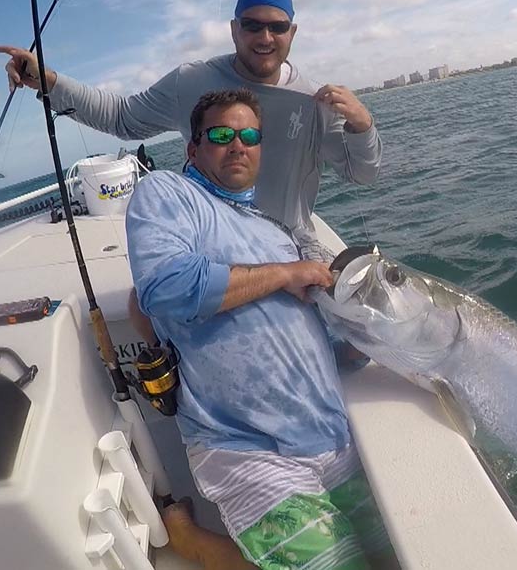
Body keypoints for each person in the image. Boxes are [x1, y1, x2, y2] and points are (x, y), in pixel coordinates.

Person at [126, 87, 395, 570]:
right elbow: (163, 287)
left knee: (396, 554)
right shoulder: (169, 193)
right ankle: (191, 540)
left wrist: (347, 352)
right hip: (247, 449)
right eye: (222, 134)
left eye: (249, 135)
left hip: (329, 436)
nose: (238, 144)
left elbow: (290, 336)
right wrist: (287, 273)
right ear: (193, 148)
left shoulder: (275, 230)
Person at [0, 0, 380, 253]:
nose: (265, 38)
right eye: (252, 25)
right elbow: (122, 118)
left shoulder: (313, 100)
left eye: (277, 27)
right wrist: (49, 82)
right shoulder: (192, 81)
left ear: (292, 33)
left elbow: (362, 174)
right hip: (212, 243)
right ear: (233, 29)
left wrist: (363, 126)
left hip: (292, 245)